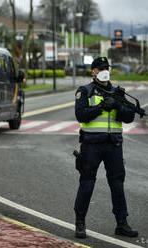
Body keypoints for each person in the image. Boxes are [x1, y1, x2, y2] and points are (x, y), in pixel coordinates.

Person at [73, 57, 138, 239]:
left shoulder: (118, 92)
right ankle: (80, 223)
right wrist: (101, 107)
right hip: (91, 144)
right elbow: (81, 115)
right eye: (100, 68)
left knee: (117, 184)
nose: (104, 70)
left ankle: (122, 223)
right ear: (93, 71)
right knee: (87, 182)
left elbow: (129, 118)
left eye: (106, 67)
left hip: (114, 144)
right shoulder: (85, 91)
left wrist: (118, 105)